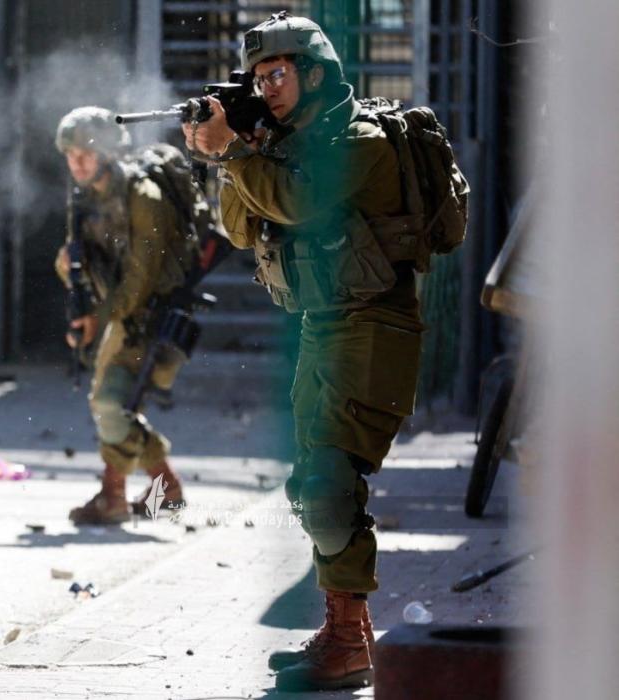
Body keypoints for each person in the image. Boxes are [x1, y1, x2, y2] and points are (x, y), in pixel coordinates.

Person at [185, 11, 428, 691]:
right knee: (312, 485)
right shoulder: (278, 147)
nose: (266, 90)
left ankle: (348, 642)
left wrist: (238, 154)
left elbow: (299, 204)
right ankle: (348, 633)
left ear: (316, 75)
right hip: (322, 326)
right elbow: (242, 231)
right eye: (258, 79)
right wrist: (232, 154)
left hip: (373, 325)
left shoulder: (358, 140)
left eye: (278, 75)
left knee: (327, 482)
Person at [54, 106, 198, 526]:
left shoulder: (144, 197)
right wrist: (81, 306)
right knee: (116, 404)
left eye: (86, 153)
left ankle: (114, 496)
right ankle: (165, 491)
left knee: (111, 403)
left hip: (152, 315)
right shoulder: (85, 199)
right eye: (71, 155)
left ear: (108, 152)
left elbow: (141, 279)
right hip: (120, 315)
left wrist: (99, 317)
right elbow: (77, 264)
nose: (78, 163)